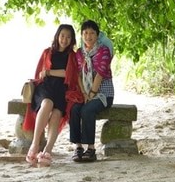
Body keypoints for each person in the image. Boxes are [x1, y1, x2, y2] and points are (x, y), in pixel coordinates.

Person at [23, 24, 82, 166]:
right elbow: (40, 73)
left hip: (62, 91)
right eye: (62, 35)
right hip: (45, 88)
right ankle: (35, 145)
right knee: (47, 103)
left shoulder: (72, 56)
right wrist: (50, 73)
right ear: (57, 36)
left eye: (68, 37)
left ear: (72, 40)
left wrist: (50, 72)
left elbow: (69, 74)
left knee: (56, 114)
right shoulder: (47, 52)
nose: (65, 39)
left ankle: (47, 151)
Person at [70, 20, 114, 163]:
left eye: (92, 33)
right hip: (85, 92)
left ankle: (91, 148)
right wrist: (84, 93)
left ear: (97, 35)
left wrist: (91, 94)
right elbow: (78, 74)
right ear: (82, 35)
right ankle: (78, 147)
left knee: (87, 110)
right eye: (85, 33)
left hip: (103, 94)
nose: (88, 36)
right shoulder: (79, 53)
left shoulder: (103, 51)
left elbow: (100, 74)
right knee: (75, 108)